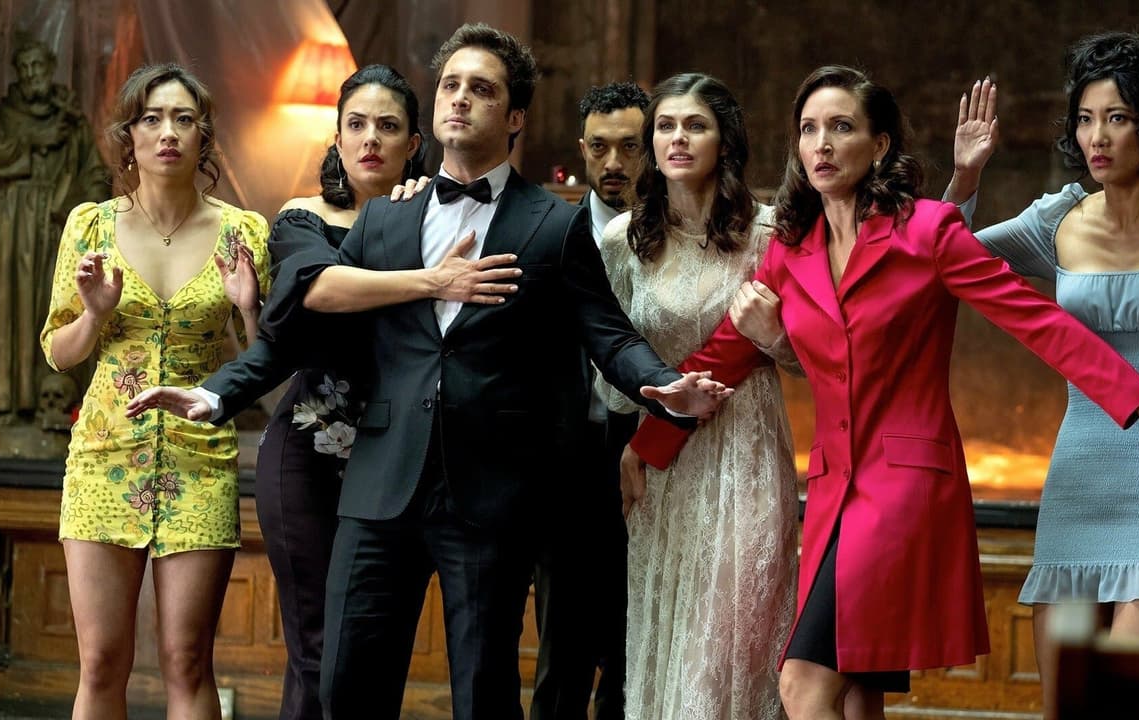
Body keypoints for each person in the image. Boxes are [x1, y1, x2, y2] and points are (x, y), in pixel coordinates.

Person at [132, 23, 727, 720]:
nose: (460, 98)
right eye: (450, 85)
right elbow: (303, 336)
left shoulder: (552, 223)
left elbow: (608, 333)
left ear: (515, 117)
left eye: (482, 89)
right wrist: (216, 394)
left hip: (492, 491)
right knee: (347, 684)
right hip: (380, 482)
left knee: (482, 694)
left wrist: (661, 386)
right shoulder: (385, 219)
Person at [626, 64, 1139, 720]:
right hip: (831, 492)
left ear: (880, 144)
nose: (822, 144)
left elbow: (1039, 322)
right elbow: (725, 353)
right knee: (856, 698)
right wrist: (648, 442)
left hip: (903, 492)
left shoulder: (929, 232)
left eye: (841, 127)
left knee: (803, 686)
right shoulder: (792, 249)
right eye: (809, 129)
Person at [125, 63, 521, 720]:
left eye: (387, 127)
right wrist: (219, 389)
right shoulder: (302, 218)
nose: (370, 140)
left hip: (409, 457)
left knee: (372, 655)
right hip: (311, 450)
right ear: (336, 139)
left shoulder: (438, 219)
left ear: (413, 143)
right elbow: (312, 298)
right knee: (318, 649)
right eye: (356, 125)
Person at [947, 33, 1139, 711]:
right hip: (1078, 479)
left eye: (1117, 118)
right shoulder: (1056, 221)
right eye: (1086, 118)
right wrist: (966, 179)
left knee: (1121, 702)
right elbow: (942, 263)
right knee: (1065, 703)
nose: (1097, 136)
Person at [39, 63, 270, 720]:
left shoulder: (243, 232)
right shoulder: (90, 226)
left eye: (183, 119)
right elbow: (58, 352)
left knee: (187, 659)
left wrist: (250, 310)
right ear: (130, 135)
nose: (168, 132)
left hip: (200, 459)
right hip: (104, 456)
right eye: (152, 118)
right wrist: (94, 314)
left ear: (204, 137)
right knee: (101, 662)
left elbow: (262, 366)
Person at [599, 72, 799, 720]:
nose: (678, 138)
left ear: (725, 141)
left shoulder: (771, 234)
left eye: (696, 125)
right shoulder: (622, 239)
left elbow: (811, 362)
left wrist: (772, 337)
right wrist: (647, 417)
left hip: (746, 455)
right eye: (666, 126)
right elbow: (609, 369)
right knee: (671, 643)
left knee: (727, 649)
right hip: (665, 467)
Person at [530, 80, 649, 720]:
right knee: (563, 653)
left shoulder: (677, 237)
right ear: (581, 149)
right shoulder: (551, 233)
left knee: (635, 651)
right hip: (567, 463)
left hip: (654, 457)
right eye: (599, 147)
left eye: (629, 147)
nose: (613, 163)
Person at [0, 35, 107, 425]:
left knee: (52, 306)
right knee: (11, 309)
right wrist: (33, 141)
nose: (32, 74)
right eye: (24, 68)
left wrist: (79, 209)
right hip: (14, 223)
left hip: (57, 227)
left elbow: (96, 173)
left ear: (51, 68)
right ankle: (7, 403)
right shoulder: (5, 115)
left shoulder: (72, 120)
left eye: (38, 65)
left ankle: (53, 403)